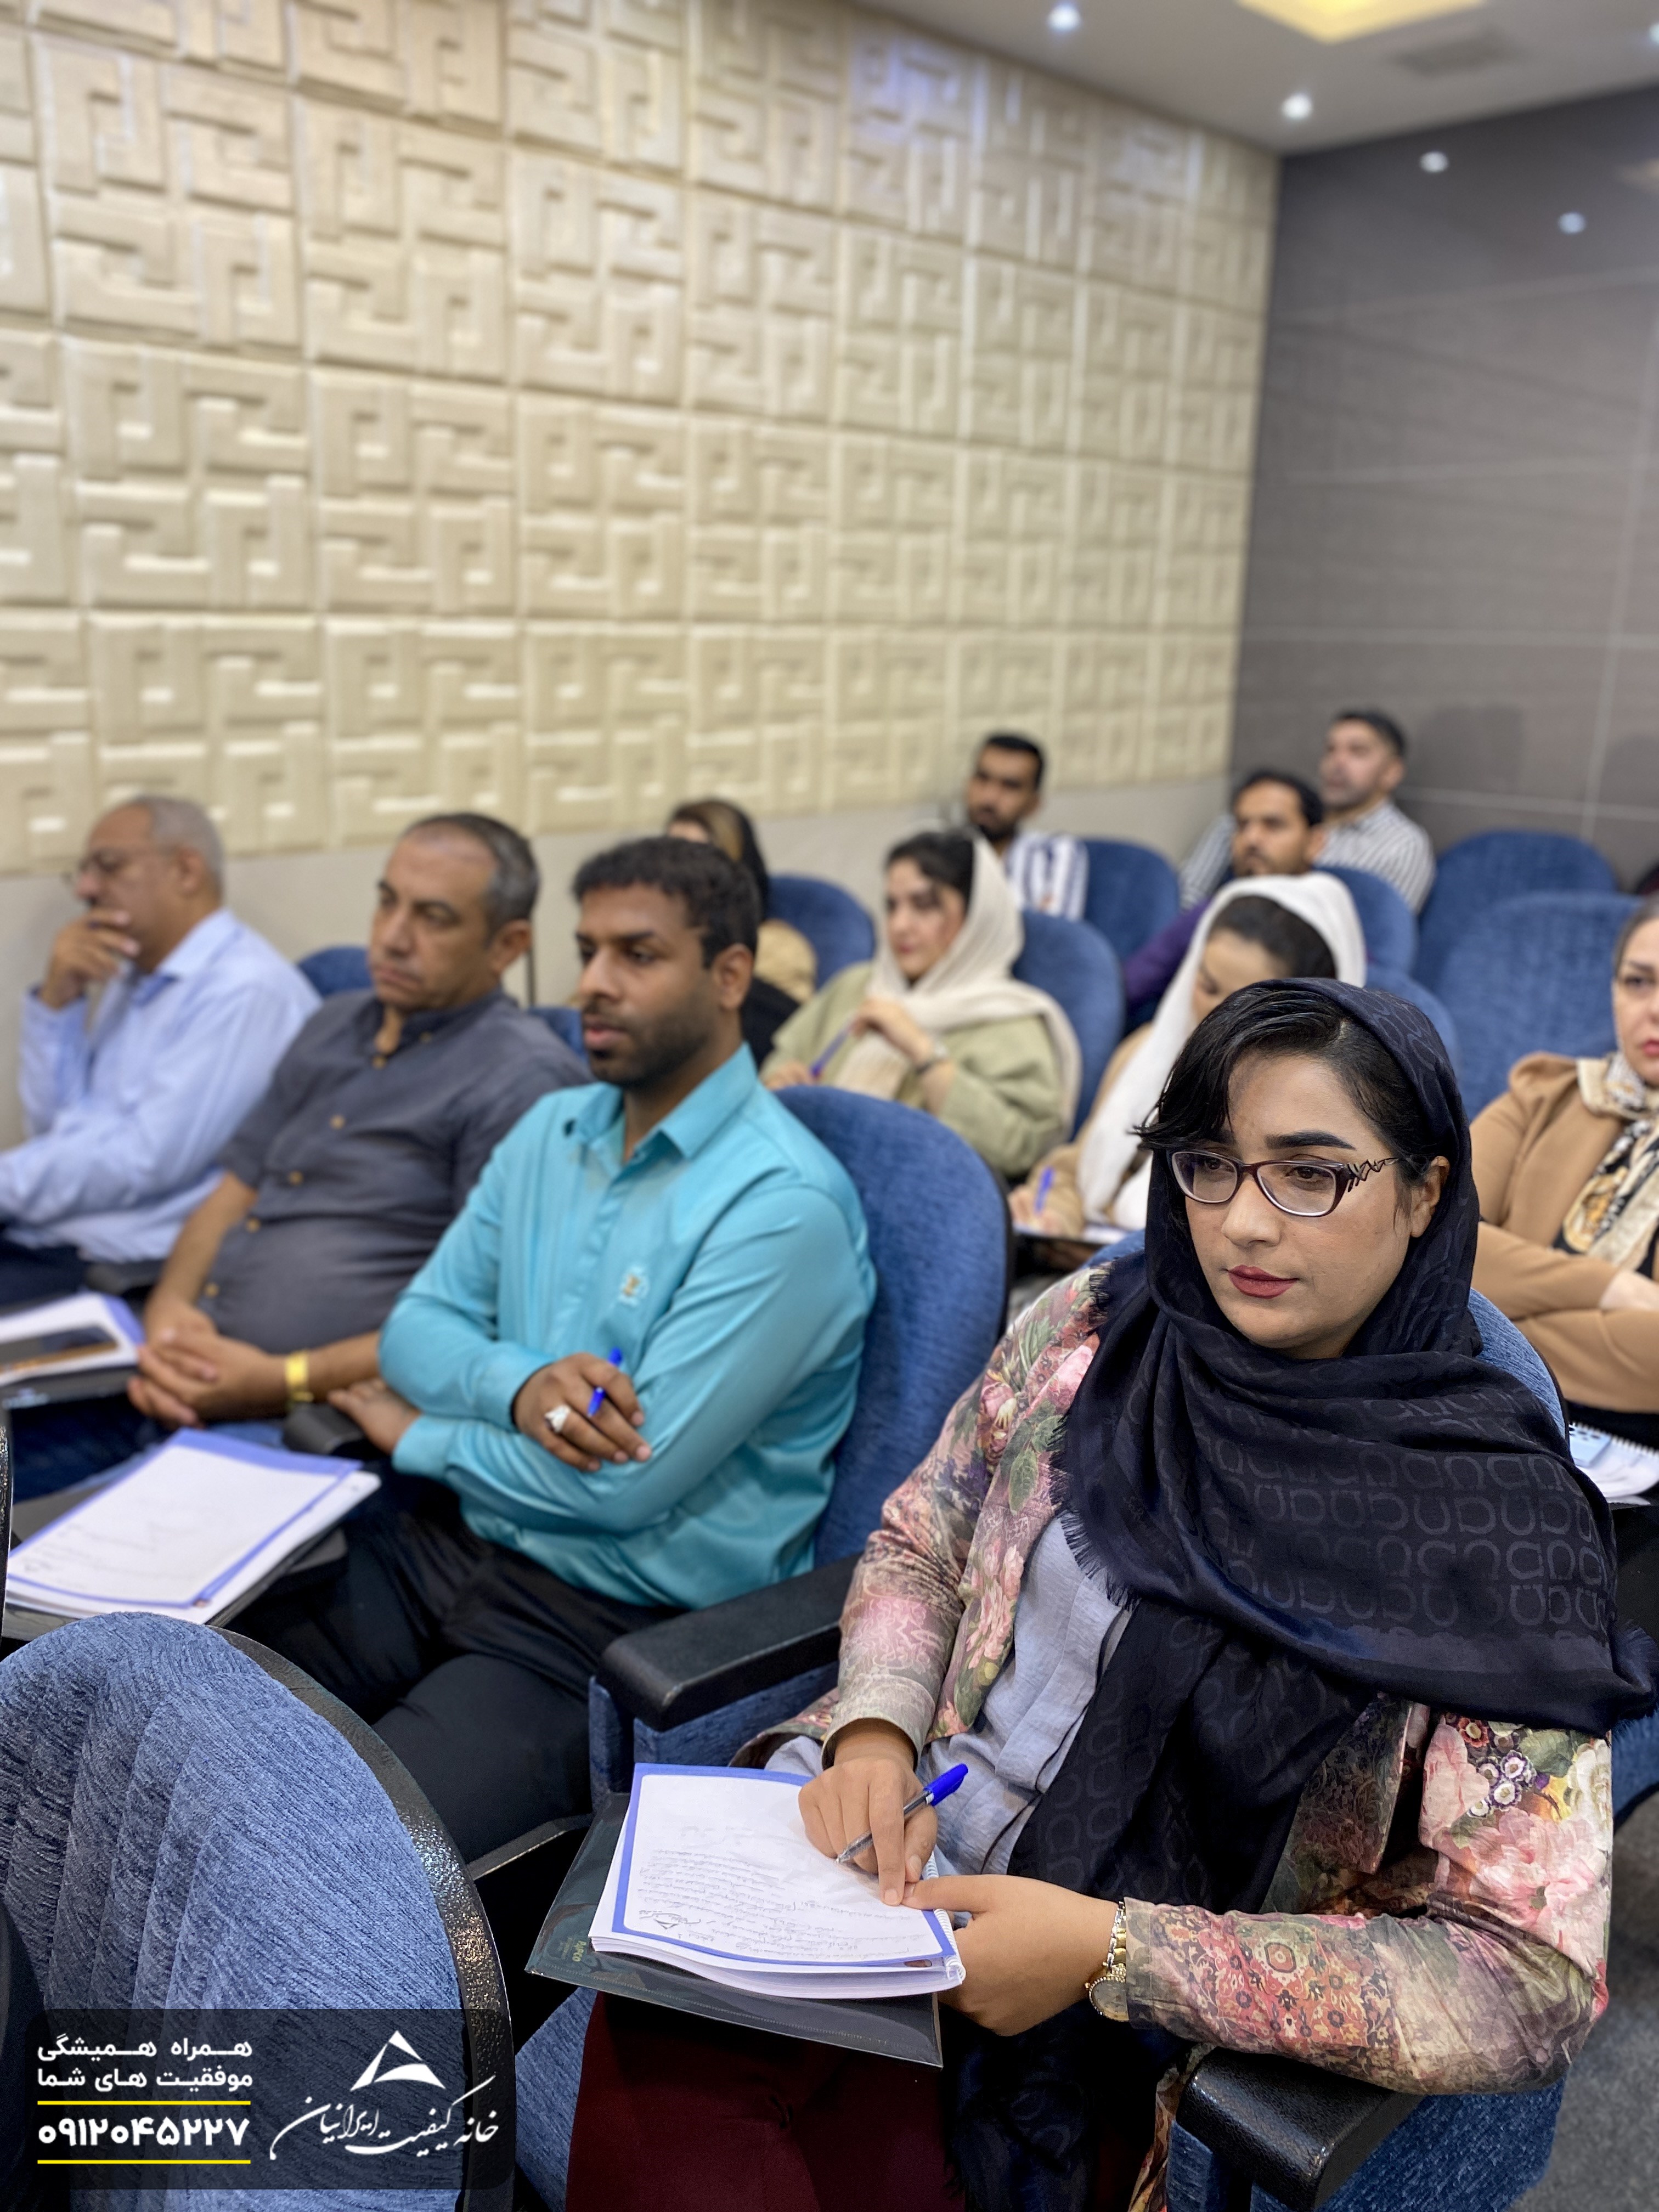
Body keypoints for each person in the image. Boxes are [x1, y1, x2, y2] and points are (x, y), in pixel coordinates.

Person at [562, 981, 1652, 2212]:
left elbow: (1524, 1981)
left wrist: (1111, 1952)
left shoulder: (1496, 1524)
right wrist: (873, 1726)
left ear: (1423, 1192)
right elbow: (925, 1538)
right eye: (1208, 1165)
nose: (1243, 1222)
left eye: (1310, 1175)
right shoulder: (1096, 1331)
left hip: (1124, 2046)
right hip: (890, 1887)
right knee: (656, 2042)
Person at [238, 836, 874, 1861]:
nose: (592, 984)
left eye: (636, 955)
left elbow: (616, 1490)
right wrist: (519, 1383)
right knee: (184, 1722)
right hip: (451, 1540)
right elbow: (413, 1331)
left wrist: (419, 1436)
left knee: (335, 1860)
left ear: (729, 976)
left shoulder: (781, 1206)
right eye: (586, 952)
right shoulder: (551, 1130)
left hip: (607, 1617)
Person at [0, 795, 317, 1310]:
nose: (85, 890)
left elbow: (142, 1162)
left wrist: (7, 1183)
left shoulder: (245, 991)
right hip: (45, 1233)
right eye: (83, 872)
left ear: (186, 870)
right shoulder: (134, 976)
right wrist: (58, 1004)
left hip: (113, 1264)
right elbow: (57, 1129)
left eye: (108, 866)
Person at [1012, 874, 1364, 1248]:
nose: (1215, 1015)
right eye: (1207, 986)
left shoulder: (1309, 1106)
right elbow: (1075, 1167)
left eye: (1243, 1002)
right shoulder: (1145, 1052)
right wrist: (1055, 1212)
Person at [762, 831, 1079, 1183]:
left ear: (977, 915)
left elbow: (1024, 1148)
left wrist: (923, 1053)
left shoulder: (1011, 1021)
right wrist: (782, 1083)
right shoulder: (856, 986)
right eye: (892, 906)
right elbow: (779, 1064)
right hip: (804, 1179)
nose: (899, 926)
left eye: (924, 905)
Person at [1471, 895, 1659, 1447]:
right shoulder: (1541, 1094)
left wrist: (1489, 1327)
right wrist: (1609, 1289)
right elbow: (1440, 1243)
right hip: (1481, 1411)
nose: (1654, 1008)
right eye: (1638, 982)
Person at [1181, 712, 1435, 915]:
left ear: (1392, 772)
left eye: (1357, 752)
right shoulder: (1268, 816)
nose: (1337, 763)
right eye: (1331, 750)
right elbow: (1188, 898)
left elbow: (1381, 934)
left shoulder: (1402, 846)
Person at [1122, 770, 1325, 1018]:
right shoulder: (1214, 910)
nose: (1251, 839)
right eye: (1242, 825)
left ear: (1315, 841)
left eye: (1273, 825)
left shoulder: (1333, 917)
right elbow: (1133, 982)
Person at [666, 798, 816, 1058]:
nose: (678, 876)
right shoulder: (644, 942)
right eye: (670, 858)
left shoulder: (779, 947)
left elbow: (794, 1043)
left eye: (696, 859)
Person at [964, 732, 1087, 920]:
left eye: (1010, 786)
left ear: (1034, 804)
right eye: (983, 778)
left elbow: (1054, 933)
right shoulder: (939, 851)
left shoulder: (1054, 853)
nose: (990, 797)